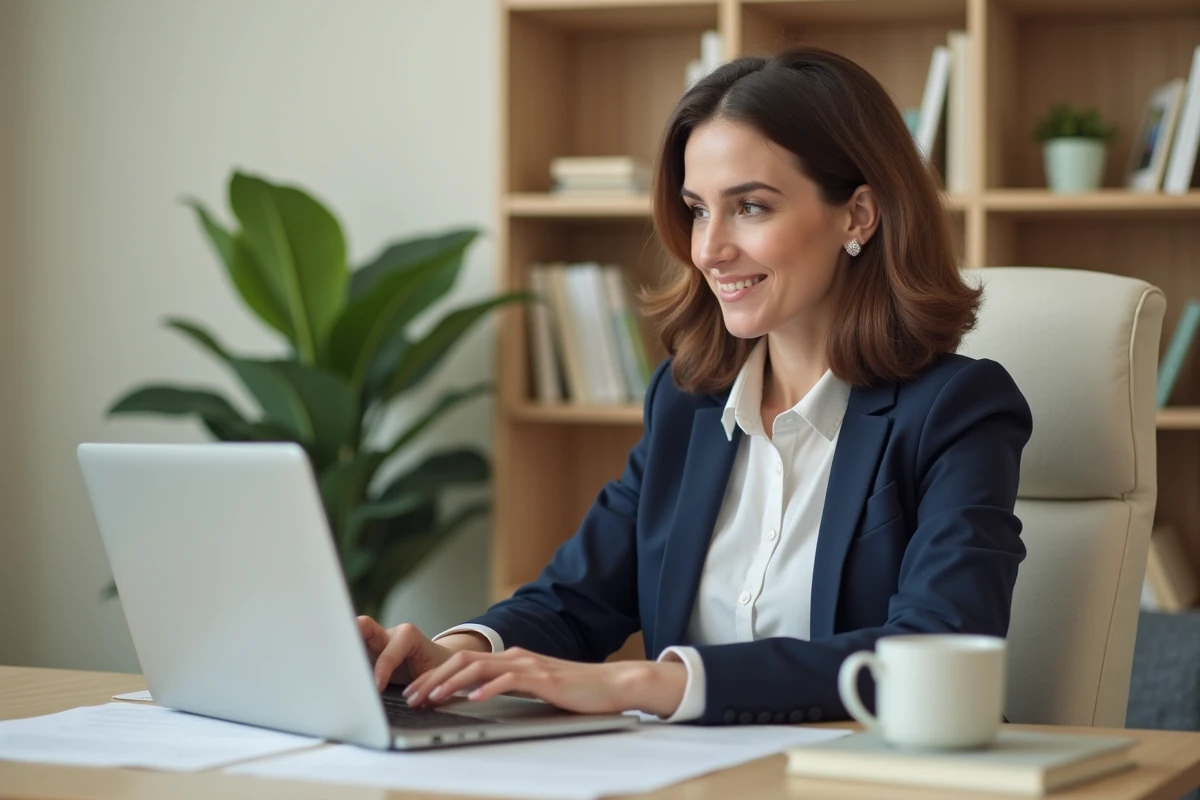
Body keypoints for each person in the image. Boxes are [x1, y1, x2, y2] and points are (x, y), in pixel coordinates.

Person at [357, 46, 1033, 725]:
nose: (708, 249)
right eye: (698, 210)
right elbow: (573, 600)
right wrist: (455, 653)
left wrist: (649, 683)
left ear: (858, 215)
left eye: (751, 208)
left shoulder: (957, 410)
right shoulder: (686, 403)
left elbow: (933, 648)